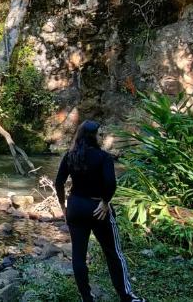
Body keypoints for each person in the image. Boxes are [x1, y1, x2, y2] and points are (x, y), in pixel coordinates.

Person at [53, 120, 144, 302]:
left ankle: (87, 298)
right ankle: (126, 297)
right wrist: (105, 201)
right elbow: (111, 183)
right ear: (93, 136)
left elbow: (59, 183)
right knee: (113, 252)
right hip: (98, 209)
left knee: (78, 256)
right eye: (100, 134)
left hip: (76, 207)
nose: (102, 137)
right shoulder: (103, 157)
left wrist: (63, 206)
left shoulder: (70, 156)